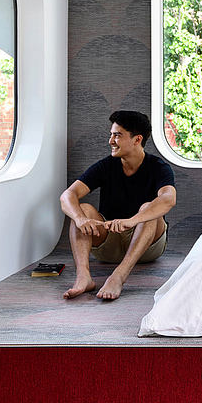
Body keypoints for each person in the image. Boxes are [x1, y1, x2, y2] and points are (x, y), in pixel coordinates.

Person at [60, 110, 176, 301]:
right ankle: (83, 278)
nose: (111, 141)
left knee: (149, 209)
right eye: (111, 135)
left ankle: (118, 276)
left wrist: (132, 221)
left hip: (146, 246)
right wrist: (80, 218)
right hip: (109, 243)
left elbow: (168, 199)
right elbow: (68, 195)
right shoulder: (106, 165)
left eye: (117, 135)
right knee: (85, 209)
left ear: (137, 139)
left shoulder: (158, 167)